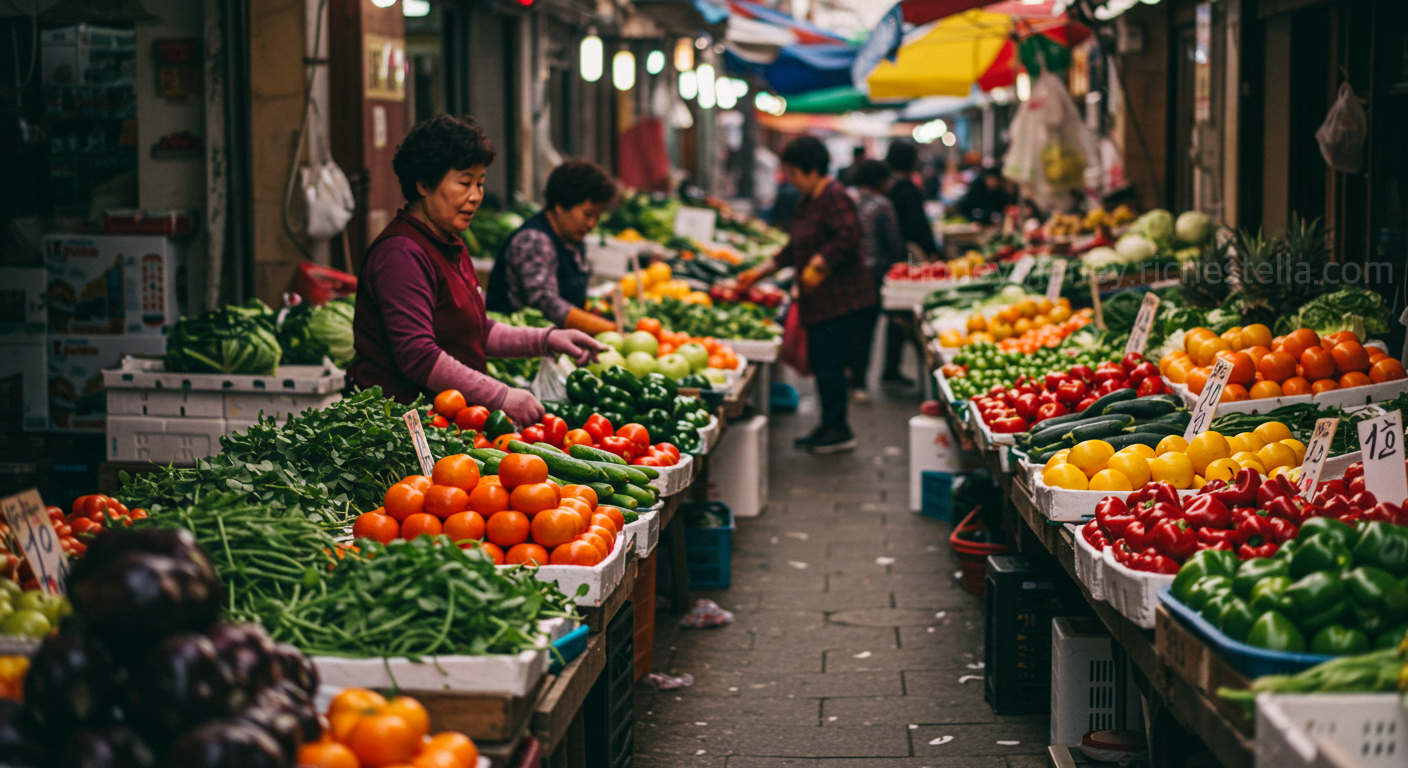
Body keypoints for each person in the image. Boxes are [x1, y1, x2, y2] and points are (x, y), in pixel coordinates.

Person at [349, 114, 607, 426]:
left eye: (480, 183)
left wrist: (548, 340)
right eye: (464, 182)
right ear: (423, 184)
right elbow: (418, 356)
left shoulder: (448, 243)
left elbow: (476, 330)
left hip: (450, 419)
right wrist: (501, 396)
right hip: (400, 427)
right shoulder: (401, 254)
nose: (475, 196)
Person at [736, 136, 877, 454]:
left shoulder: (835, 197)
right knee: (823, 365)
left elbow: (848, 237)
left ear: (812, 170)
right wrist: (759, 272)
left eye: (794, 173)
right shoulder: (808, 201)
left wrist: (820, 262)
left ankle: (838, 430)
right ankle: (829, 425)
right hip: (819, 301)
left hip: (840, 301)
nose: (791, 180)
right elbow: (792, 248)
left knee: (830, 366)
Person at [486, 159, 618, 335]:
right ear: (560, 205)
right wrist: (612, 330)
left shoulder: (571, 238)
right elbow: (548, 304)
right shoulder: (534, 241)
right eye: (587, 214)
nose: (592, 224)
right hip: (518, 348)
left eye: (597, 216)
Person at [881, 140, 938, 388]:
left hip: (893, 258)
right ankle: (925, 368)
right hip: (909, 258)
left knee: (896, 316)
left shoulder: (887, 188)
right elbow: (918, 225)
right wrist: (932, 251)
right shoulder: (908, 189)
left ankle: (890, 368)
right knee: (909, 316)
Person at [849, 159, 904, 402]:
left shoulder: (848, 200)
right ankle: (863, 382)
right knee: (867, 328)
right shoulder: (883, 205)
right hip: (874, 275)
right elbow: (893, 242)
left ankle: (853, 378)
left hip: (848, 273)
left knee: (851, 328)